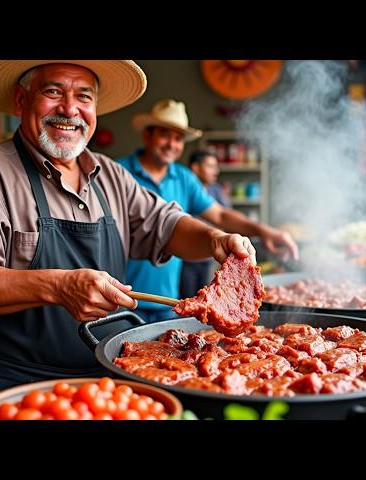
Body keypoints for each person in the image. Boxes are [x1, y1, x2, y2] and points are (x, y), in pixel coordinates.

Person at [0, 61, 258, 397]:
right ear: (20, 100)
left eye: (84, 97)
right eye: (53, 91)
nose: (70, 109)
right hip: (19, 384)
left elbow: (166, 223)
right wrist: (59, 286)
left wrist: (213, 238)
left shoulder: (110, 174)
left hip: (105, 383)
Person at [116, 99, 298, 323]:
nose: (171, 144)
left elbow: (220, 215)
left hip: (167, 299)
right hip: (122, 298)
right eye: (165, 135)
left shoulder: (184, 177)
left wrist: (264, 231)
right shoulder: (119, 173)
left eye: (178, 138)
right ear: (147, 135)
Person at [180, 150, 231, 298]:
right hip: (186, 258)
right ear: (195, 168)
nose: (216, 171)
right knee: (187, 299)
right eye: (210, 166)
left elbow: (225, 215)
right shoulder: (184, 189)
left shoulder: (216, 190)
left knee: (207, 297)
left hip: (210, 257)